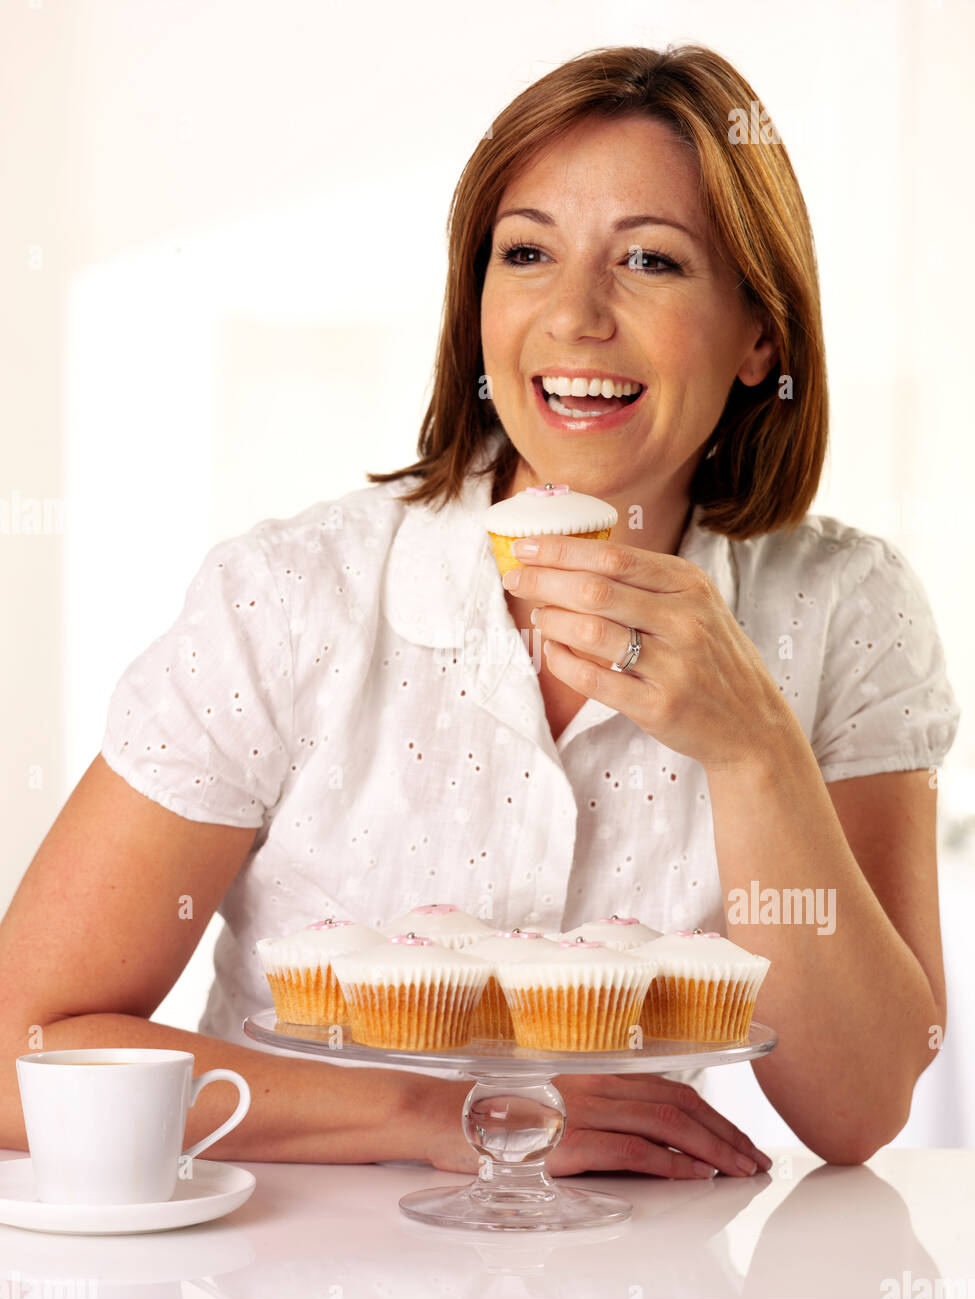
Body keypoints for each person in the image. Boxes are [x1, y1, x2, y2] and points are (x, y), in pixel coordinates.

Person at [0, 43, 959, 1180]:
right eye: (527, 253)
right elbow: (23, 1050)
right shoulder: (292, 600)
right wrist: (441, 1117)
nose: (575, 315)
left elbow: (859, 1110)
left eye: (651, 259)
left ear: (762, 334)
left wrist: (755, 749)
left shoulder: (848, 611)